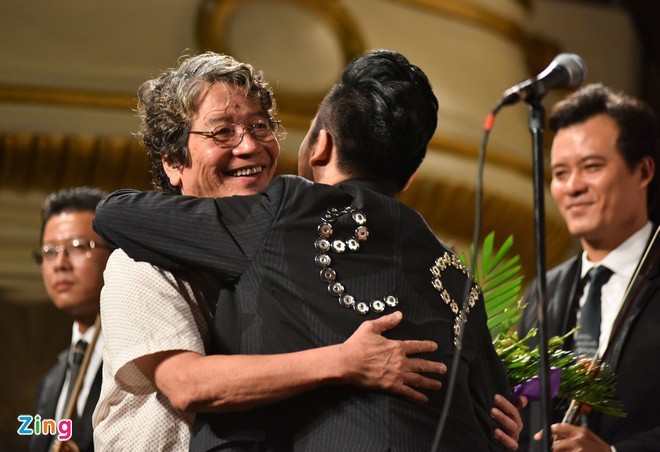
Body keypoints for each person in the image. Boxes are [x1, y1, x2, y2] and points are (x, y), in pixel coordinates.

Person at [94, 50, 521, 451]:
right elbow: (188, 385)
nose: (249, 145)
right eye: (223, 131)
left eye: (261, 126)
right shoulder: (140, 265)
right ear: (173, 160)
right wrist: (343, 360)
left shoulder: (291, 238)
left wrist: (500, 425)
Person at [519, 83, 660, 451]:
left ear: (643, 172)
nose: (573, 187)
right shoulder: (544, 291)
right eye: (560, 173)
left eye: (591, 167)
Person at [31, 187, 111, 452]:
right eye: (50, 251)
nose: (59, 264)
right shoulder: (50, 381)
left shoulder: (134, 360)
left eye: (78, 246)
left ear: (115, 255)